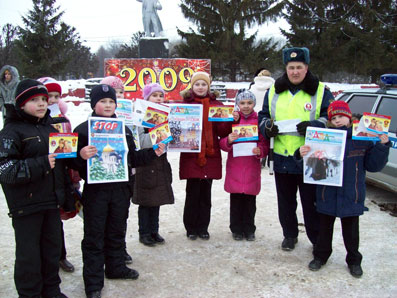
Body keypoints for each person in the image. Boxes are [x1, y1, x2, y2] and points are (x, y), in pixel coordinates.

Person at [71, 84, 164, 298]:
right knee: (94, 235)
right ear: (94, 104)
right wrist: (81, 156)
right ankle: (93, 282)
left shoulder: (124, 128)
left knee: (117, 230)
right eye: (103, 101)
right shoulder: (83, 129)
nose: (107, 105)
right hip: (96, 191)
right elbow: (71, 164)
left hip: (121, 189)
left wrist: (153, 152)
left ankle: (116, 267)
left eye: (111, 101)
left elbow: (132, 158)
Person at [296, 100, 391, 277]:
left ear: (349, 117)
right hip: (326, 193)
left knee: (351, 232)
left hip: (351, 194)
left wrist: (382, 146)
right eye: (334, 118)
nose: (338, 120)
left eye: (341, 117)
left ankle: (354, 260)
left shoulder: (361, 140)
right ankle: (320, 256)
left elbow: (373, 165)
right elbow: (311, 166)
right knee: (324, 229)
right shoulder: (322, 137)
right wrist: (302, 154)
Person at [0, 79, 73, 298]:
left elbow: (60, 166)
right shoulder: (11, 132)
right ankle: (30, 294)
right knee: (29, 256)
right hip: (26, 206)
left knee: (51, 252)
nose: (42, 104)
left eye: (44, 99)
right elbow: (5, 170)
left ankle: (52, 291)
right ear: (21, 104)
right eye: (35, 100)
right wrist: (41, 163)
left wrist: (78, 158)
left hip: (51, 202)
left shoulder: (50, 128)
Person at [258, 47, 334, 251]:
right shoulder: (274, 90)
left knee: (312, 203)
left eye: (299, 67)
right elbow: (263, 116)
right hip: (282, 156)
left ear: (306, 68)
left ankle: (316, 239)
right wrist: (267, 128)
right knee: (285, 202)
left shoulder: (321, 91)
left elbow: (331, 118)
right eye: (291, 67)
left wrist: (314, 126)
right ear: (286, 68)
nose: (295, 72)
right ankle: (289, 235)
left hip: (313, 157)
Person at [180, 71, 230, 240]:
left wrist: (226, 120)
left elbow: (223, 132)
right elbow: (177, 129)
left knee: (206, 194)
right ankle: (191, 227)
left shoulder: (217, 104)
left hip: (210, 154)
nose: (200, 87)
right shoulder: (185, 104)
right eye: (197, 84)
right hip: (191, 154)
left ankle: (203, 227)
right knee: (192, 193)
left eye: (203, 84)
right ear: (191, 86)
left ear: (208, 86)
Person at [38, 76, 80, 274]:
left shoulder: (64, 120)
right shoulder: (35, 123)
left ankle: (60, 256)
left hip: (61, 176)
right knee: (42, 224)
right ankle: (46, 260)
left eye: (56, 96)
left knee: (57, 222)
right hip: (42, 177)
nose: (53, 101)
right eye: (49, 97)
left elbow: (70, 151)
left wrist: (73, 177)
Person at [219, 89, 269, 241]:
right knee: (235, 202)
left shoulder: (259, 120)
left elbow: (264, 143)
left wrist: (260, 150)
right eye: (242, 103)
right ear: (237, 104)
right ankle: (236, 229)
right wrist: (228, 140)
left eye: (249, 102)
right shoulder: (232, 119)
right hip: (235, 167)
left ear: (254, 103)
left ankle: (249, 229)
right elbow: (221, 142)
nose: (246, 106)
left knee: (249, 203)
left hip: (251, 167)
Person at [132, 83, 174, 246]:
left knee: (156, 199)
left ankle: (154, 231)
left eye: (160, 95)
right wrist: (159, 134)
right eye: (154, 95)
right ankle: (144, 232)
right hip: (145, 162)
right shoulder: (140, 116)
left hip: (160, 162)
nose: (158, 98)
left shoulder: (165, 115)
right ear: (147, 98)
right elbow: (141, 141)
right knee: (145, 201)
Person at [100, 75, 133, 265]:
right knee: (101, 223)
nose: (117, 98)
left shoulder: (129, 117)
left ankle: (119, 251)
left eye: (119, 93)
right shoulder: (90, 125)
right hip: (101, 184)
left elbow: (134, 150)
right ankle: (106, 253)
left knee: (119, 219)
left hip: (123, 178)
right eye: (113, 94)